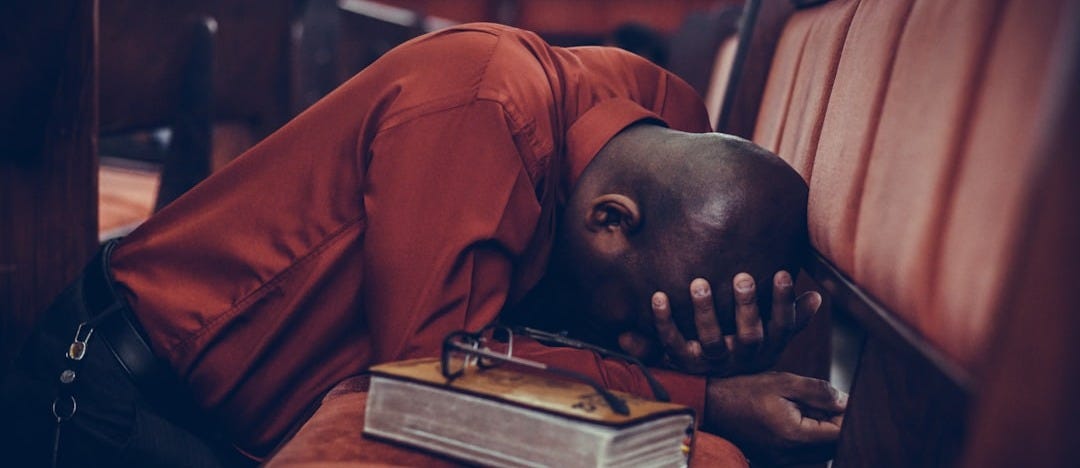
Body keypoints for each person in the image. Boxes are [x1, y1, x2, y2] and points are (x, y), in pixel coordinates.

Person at [0, 23, 843, 467]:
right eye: (631, 318)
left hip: (264, 412)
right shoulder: (485, 107)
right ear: (610, 220)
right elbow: (437, 385)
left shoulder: (664, 115)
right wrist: (700, 395)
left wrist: (720, 357)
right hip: (115, 404)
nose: (630, 338)